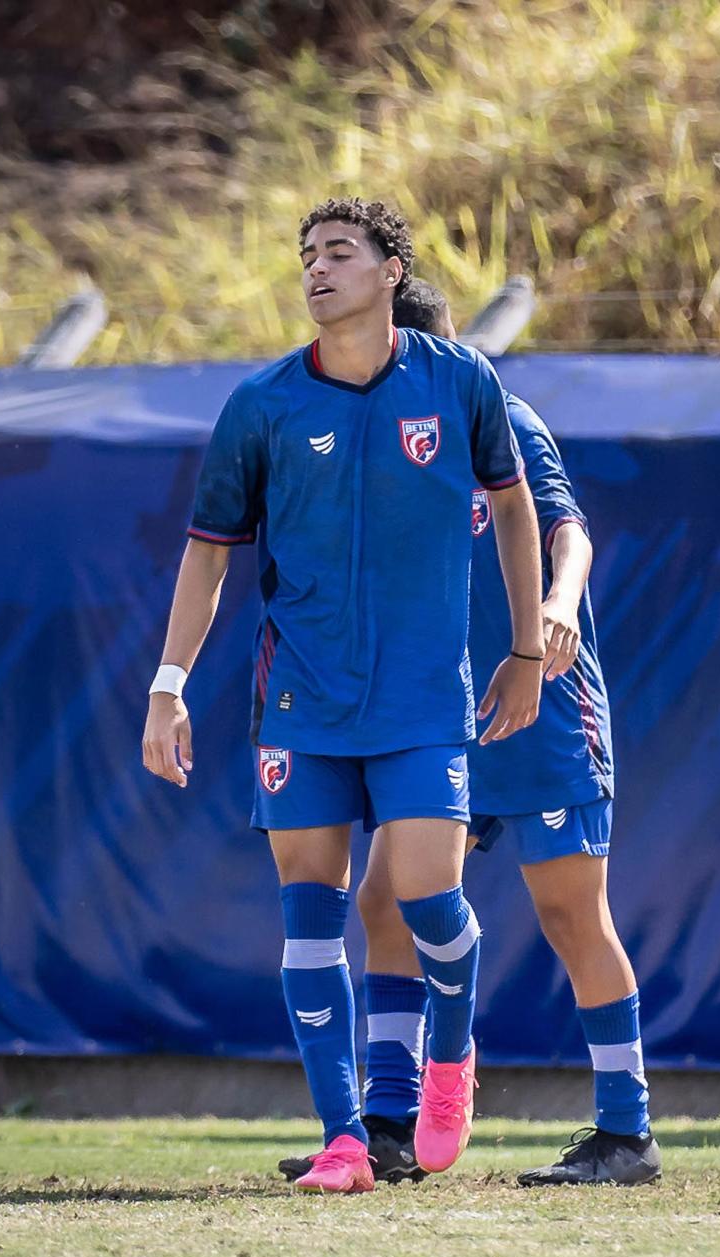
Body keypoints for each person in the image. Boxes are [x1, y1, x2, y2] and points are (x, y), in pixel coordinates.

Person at [142, 202, 546, 1194]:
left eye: (337, 254)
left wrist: (527, 649)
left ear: (389, 269)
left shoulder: (459, 381)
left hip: (420, 700)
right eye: (306, 257)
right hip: (302, 704)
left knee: (429, 898)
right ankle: (345, 1137)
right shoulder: (264, 402)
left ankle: (449, 1059)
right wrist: (168, 684)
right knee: (309, 912)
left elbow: (515, 507)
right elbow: (206, 556)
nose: (316, 271)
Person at [280, 278, 661, 1188]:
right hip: (443, 720)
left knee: (572, 914)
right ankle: (391, 1123)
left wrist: (558, 609)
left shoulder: (502, 420)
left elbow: (568, 531)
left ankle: (626, 1132)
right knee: (383, 904)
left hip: (543, 713)